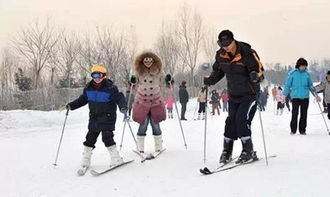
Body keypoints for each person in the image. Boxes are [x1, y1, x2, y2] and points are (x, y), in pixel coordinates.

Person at [204, 29, 264, 163]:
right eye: (221, 43)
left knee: (241, 120)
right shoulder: (221, 55)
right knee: (231, 121)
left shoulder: (247, 53)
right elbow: (218, 71)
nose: (225, 46)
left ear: (233, 41)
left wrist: (255, 76)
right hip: (234, 94)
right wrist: (210, 80)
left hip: (249, 94)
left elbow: (259, 71)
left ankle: (248, 150)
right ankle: (227, 151)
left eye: (227, 43)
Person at [66, 64, 127, 172]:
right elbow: (82, 100)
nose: (96, 78)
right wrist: (71, 105)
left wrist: (123, 107)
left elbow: (119, 98)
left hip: (108, 117)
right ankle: (85, 161)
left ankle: (116, 159)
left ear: (104, 75)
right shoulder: (88, 88)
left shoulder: (111, 88)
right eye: (94, 75)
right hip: (94, 117)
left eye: (99, 75)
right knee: (90, 138)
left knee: (107, 138)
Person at [131, 52, 171, 153]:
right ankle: (140, 147)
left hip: (155, 102)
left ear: (153, 61)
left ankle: (158, 146)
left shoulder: (159, 72)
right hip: (142, 102)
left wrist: (169, 80)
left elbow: (167, 84)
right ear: (142, 62)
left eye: (150, 61)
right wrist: (131, 81)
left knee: (155, 123)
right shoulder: (138, 72)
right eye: (145, 61)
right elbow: (133, 86)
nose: (148, 63)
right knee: (143, 124)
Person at [283, 58, 317, 135]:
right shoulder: (292, 74)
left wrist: (315, 95)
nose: (303, 68)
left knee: (304, 114)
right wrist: (284, 95)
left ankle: (302, 130)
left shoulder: (307, 74)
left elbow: (310, 86)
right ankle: (293, 130)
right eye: (302, 66)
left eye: (305, 66)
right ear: (298, 65)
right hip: (295, 97)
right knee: (295, 114)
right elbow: (287, 85)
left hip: (305, 97)